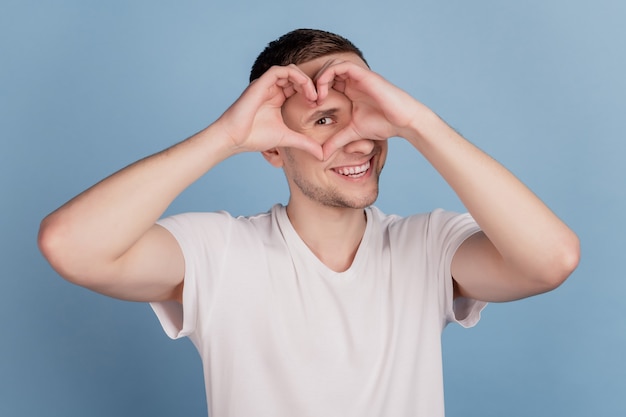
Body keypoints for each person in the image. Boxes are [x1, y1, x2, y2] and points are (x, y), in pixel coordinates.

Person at [38, 28, 580, 416]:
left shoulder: (428, 246)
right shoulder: (219, 252)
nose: (359, 139)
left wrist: (419, 123)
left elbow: (550, 260)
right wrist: (223, 138)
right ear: (273, 148)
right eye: (325, 120)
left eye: (367, 112)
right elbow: (71, 245)